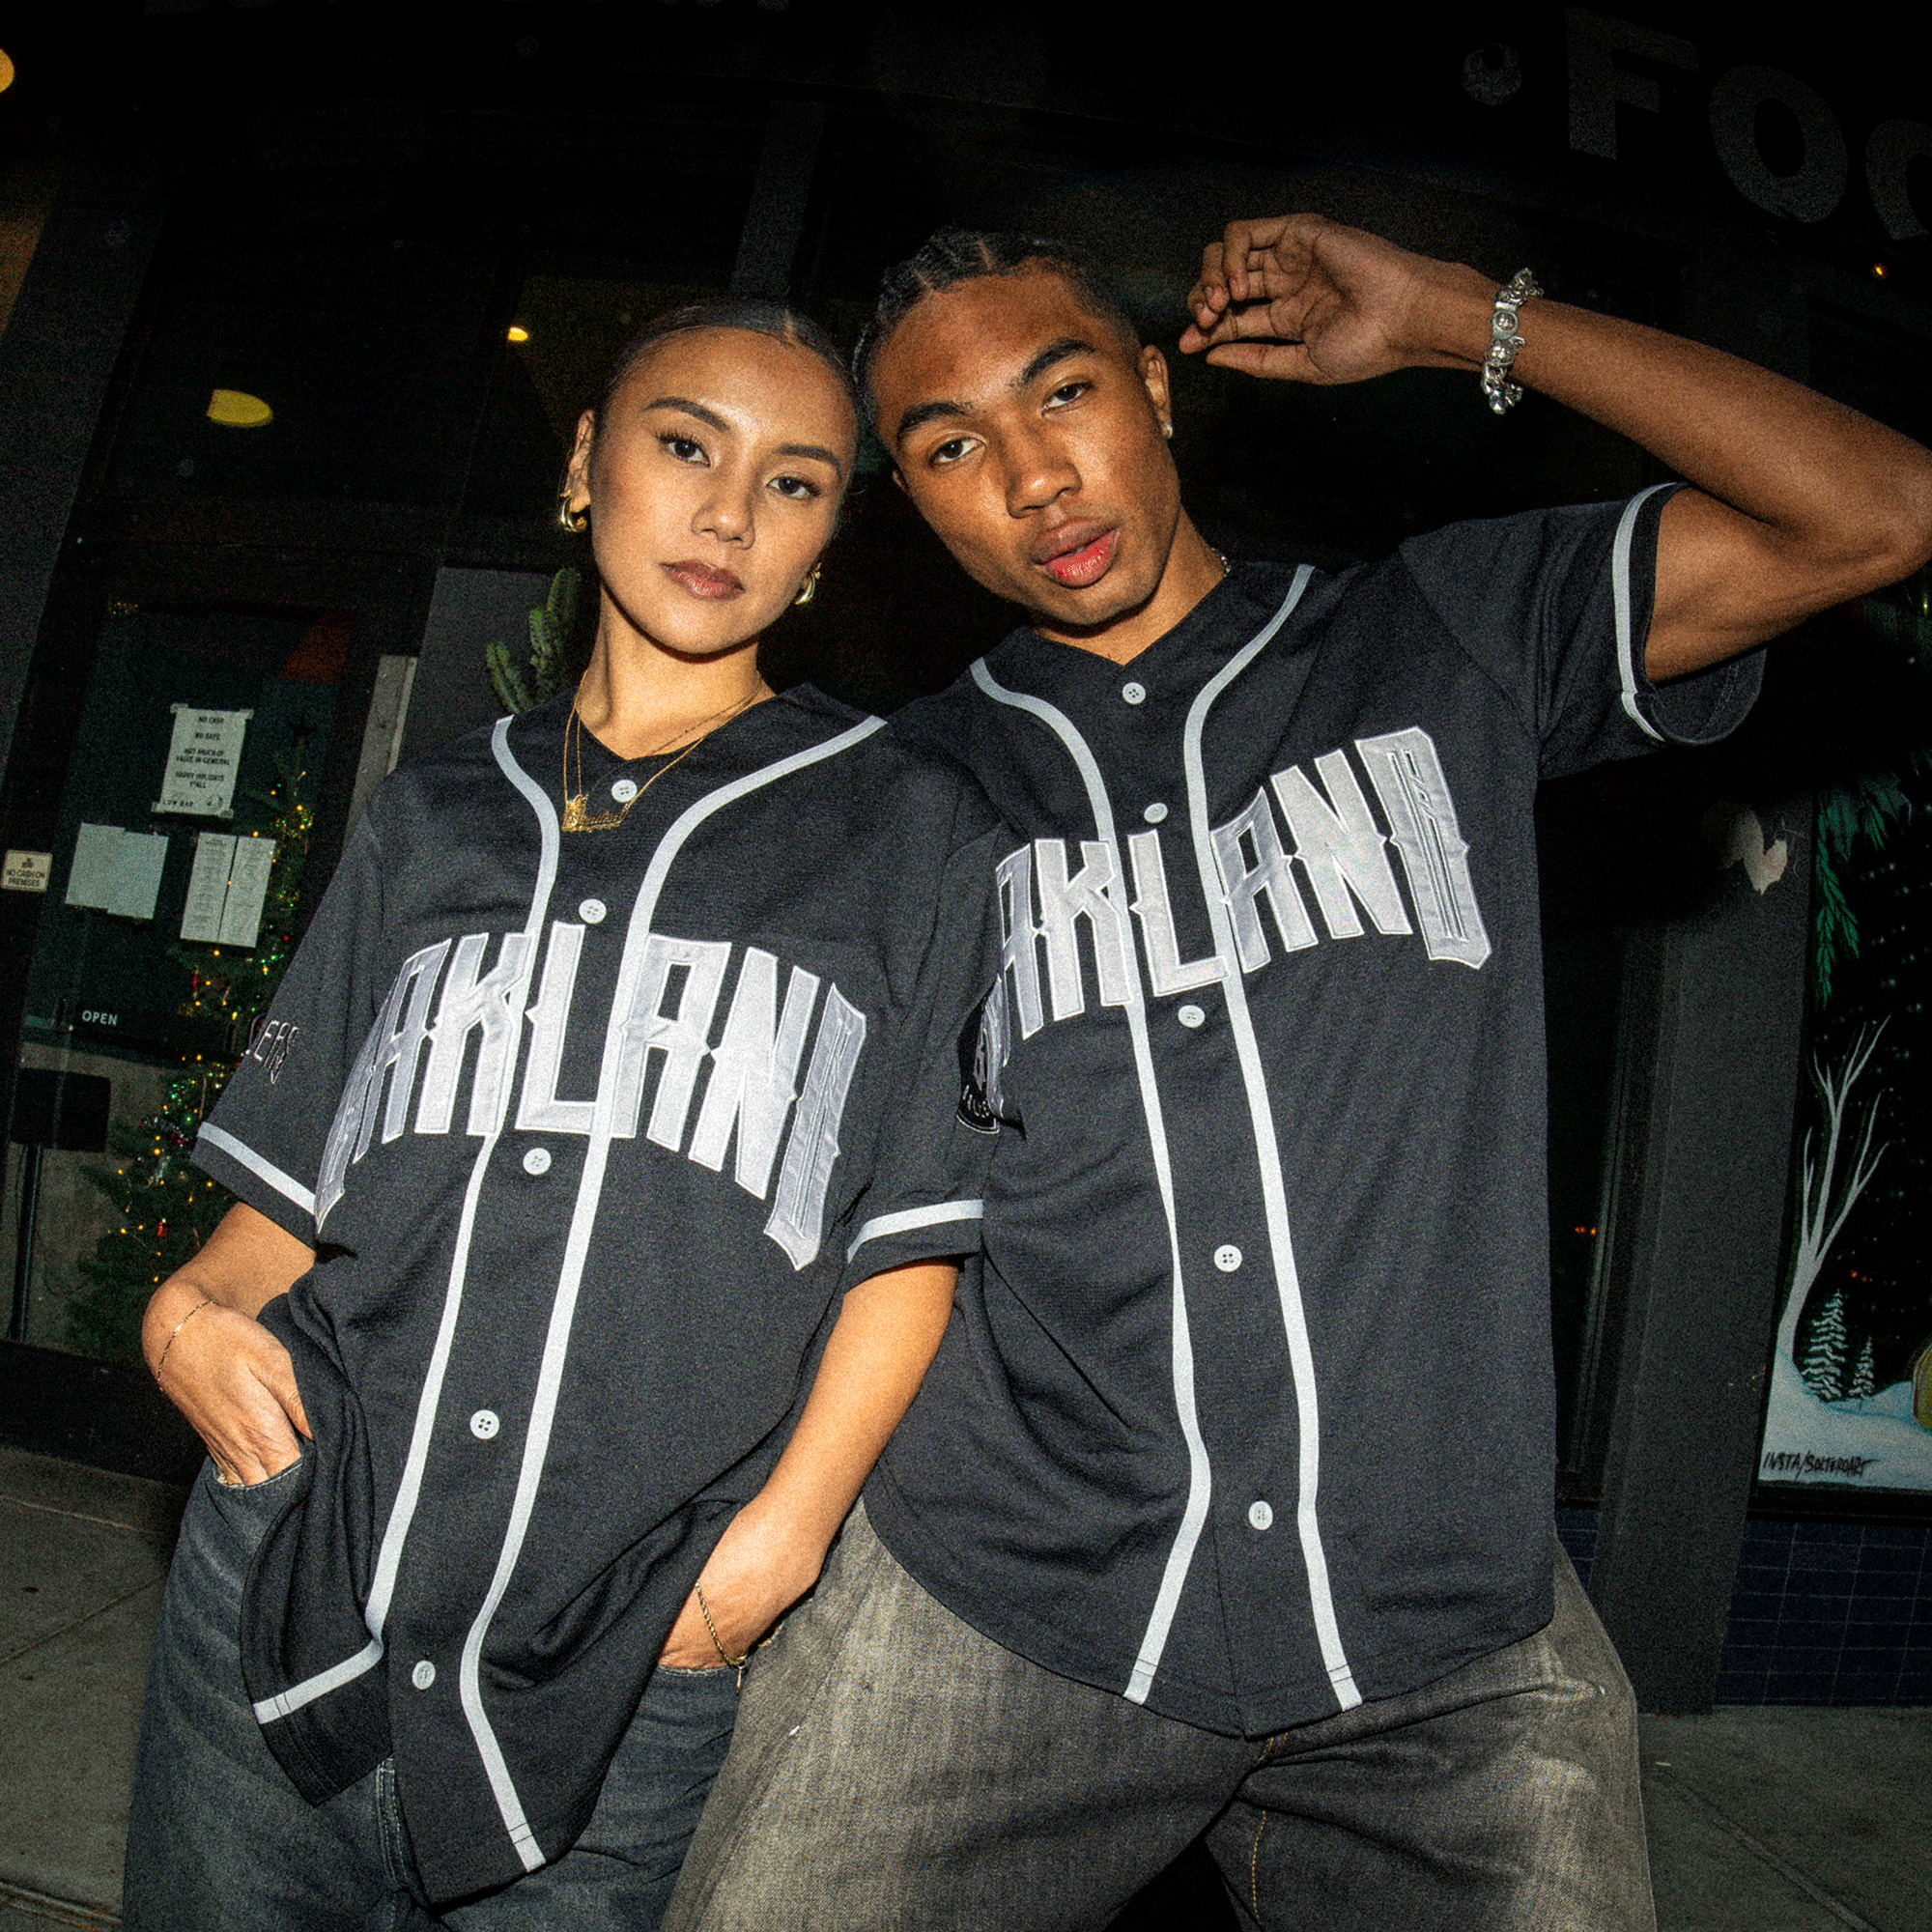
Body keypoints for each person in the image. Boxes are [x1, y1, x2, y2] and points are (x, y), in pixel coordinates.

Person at [662, 218, 1932, 1931]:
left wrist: (1457, 318)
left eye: (1063, 393)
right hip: (1008, 1596)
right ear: (912, 500)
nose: (1033, 478)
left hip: (1447, 1627)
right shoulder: (905, 791)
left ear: (1156, 389)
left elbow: (1878, 509)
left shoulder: (1442, 630)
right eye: (951, 447)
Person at [122, 298, 1001, 1931]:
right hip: (293, 1581)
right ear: (586, 463)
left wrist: (775, 1550)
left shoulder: (911, 829)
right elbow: (293, 1186)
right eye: (684, 445)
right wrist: (190, 1310)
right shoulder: (433, 812)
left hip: (629, 1648)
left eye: (795, 482)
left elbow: (909, 1249)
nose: (729, 514)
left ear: (829, 543)